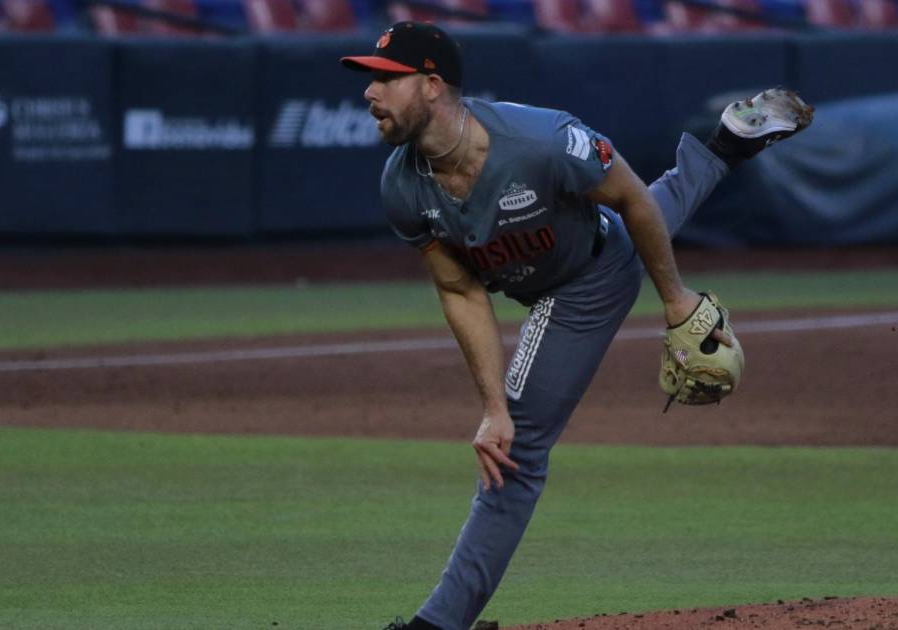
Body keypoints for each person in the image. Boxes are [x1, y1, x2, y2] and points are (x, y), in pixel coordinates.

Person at [340, 22, 812, 630]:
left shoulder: (541, 141)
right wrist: (490, 406)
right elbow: (460, 289)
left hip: (584, 282)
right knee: (641, 228)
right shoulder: (401, 185)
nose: (369, 92)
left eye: (386, 79)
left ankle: (439, 622)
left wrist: (675, 300)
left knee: (517, 449)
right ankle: (725, 146)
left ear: (432, 85)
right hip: (586, 245)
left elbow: (631, 197)